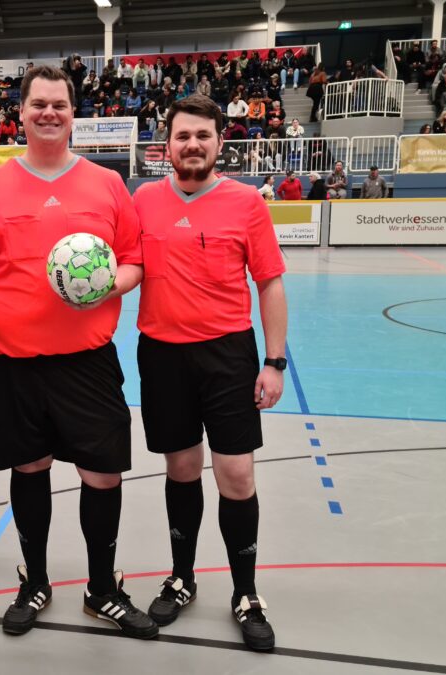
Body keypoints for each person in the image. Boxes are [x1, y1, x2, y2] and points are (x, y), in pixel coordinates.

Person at [0, 65, 156, 640]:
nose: (49, 113)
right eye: (38, 104)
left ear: (74, 114)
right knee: (30, 469)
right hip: (11, 363)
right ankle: (36, 582)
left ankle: (102, 590)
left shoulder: (105, 183)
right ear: (20, 113)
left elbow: (134, 260)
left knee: (102, 474)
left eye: (60, 105)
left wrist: (107, 285)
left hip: (86, 362)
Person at [132, 94, 287, 652]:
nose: (192, 145)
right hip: (162, 355)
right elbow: (128, 266)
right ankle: (182, 577)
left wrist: (273, 361)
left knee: (236, 476)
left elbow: (269, 282)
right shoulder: (144, 200)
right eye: (182, 136)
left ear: (220, 142)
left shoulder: (246, 203)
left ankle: (245, 592)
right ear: (166, 146)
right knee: (180, 468)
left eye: (202, 135)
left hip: (228, 356)